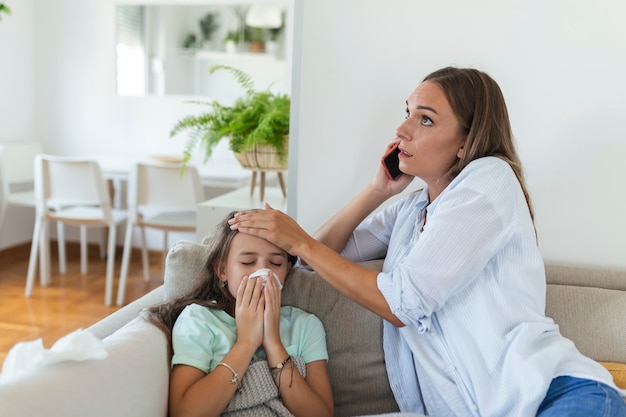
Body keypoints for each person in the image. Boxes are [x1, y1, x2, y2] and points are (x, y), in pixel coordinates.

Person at [228, 67, 626, 416]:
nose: (402, 129)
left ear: (465, 145)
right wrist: (376, 191)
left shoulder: (490, 178)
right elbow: (314, 261)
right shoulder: (410, 210)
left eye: (426, 120)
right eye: (407, 113)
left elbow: (404, 302)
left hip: (555, 397)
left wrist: (299, 240)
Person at [144, 211, 334, 417]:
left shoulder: (306, 325)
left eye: (276, 264)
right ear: (222, 270)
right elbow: (185, 413)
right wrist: (246, 342)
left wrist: (273, 343)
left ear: (287, 271)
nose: (262, 272)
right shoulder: (199, 320)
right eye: (248, 262)